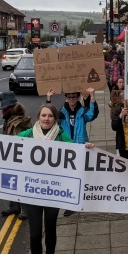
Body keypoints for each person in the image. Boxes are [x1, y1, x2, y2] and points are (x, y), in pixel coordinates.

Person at [17, 103, 94, 254]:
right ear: (38, 117)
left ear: (55, 119)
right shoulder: (28, 134)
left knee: (50, 230)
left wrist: (86, 147)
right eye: (44, 115)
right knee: (35, 233)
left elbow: (75, 148)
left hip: (53, 192)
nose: (47, 118)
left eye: (50, 116)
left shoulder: (60, 135)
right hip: (33, 192)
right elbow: (8, 144)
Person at [47, 87, 98, 216]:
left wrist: (92, 96)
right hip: (67, 148)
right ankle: (70, 202)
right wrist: (49, 99)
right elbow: (50, 118)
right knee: (68, 176)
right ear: (66, 98)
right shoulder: (62, 113)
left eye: (74, 97)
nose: (72, 99)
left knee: (79, 176)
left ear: (77, 97)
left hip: (81, 147)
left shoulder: (82, 112)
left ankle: (77, 202)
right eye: (69, 97)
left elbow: (92, 114)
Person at [0, 91, 32, 220]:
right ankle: (14, 206)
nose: (3, 111)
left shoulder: (20, 121)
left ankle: (25, 209)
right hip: (10, 156)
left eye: (5, 109)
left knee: (21, 182)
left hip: (20, 158)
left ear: (12, 108)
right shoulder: (8, 120)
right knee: (10, 181)